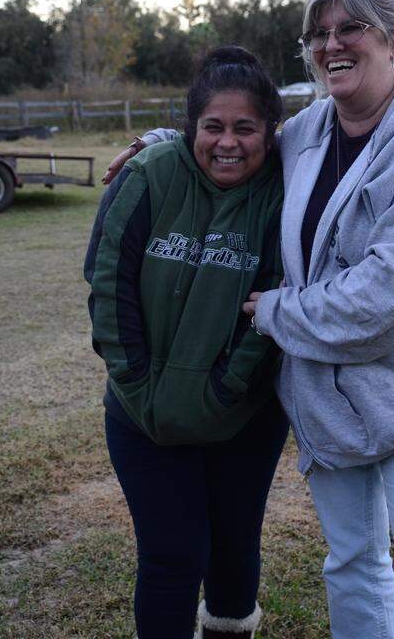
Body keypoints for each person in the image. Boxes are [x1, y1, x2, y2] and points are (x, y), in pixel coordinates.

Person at [107, 0, 394, 638]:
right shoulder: (315, 129)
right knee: (353, 564)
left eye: (350, 28)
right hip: (328, 400)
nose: (331, 45)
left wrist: (278, 312)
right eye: (319, 34)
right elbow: (237, 141)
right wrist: (161, 147)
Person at [86, 46, 289, 639]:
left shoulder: (286, 193)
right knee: (172, 555)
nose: (229, 142)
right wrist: (137, 384)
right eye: (214, 127)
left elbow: (274, 295)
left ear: (270, 134)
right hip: (140, 414)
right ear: (190, 128)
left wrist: (226, 388)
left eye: (246, 128)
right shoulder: (149, 175)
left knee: (232, 547)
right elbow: (107, 283)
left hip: (242, 417)